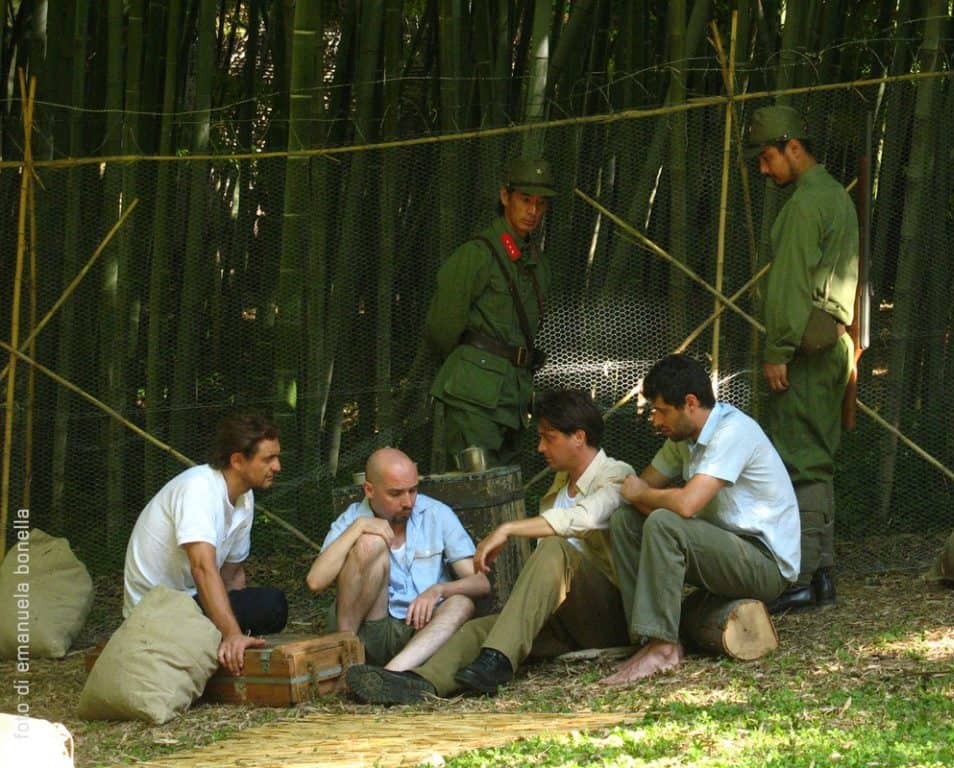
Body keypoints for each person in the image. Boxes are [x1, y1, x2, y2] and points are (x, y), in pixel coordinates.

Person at [344, 389, 634, 704]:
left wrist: (508, 528)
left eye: (548, 438)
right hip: (562, 622)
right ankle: (418, 683)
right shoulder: (557, 489)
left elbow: (582, 518)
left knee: (555, 548)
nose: (540, 447)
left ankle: (497, 662)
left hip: (609, 618)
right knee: (478, 630)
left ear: (578, 437)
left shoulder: (618, 475)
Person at [601, 354, 799, 685]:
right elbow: (643, 487)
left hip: (766, 564)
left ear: (690, 403)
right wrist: (628, 492)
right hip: (726, 549)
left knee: (665, 522)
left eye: (661, 410)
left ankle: (664, 648)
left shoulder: (732, 431)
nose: (655, 419)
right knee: (626, 521)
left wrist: (641, 495)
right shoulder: (683, 440)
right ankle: (649, 637)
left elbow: (686, 504)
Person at [745, 105, 858, 612]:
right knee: (815, 455)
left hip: (803, 352)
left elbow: (790, 285)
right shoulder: (836, 196)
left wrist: (777, 350)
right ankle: (822, 574)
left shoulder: (803, 207)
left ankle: (808, 578)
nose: (764, 170)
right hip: (830, 344)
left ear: (794, 147)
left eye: (768, 157)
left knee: (801, 461)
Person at [123, 411, 289, 676]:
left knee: (272, 607)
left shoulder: (244, 499)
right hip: (154, 609)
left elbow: (232, 575)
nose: (277, 466)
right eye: (268, 459)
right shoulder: (198, 488)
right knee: (260, 608)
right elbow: (202, 568)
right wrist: (232, 633)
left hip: (190, 602)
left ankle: (211, 640)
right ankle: (206, 639)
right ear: (237, 460)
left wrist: (235, 624)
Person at [425, 157, 556, 472]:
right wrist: (471, 369)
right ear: (505, 197)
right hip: (473, 395)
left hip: (514, 395)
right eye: (525, 200)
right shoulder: (478, 254)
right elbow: (442, 327)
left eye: (540, 204)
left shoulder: (537, 262)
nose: (532, 211)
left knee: (505, 490)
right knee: (474, 487)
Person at [306, 448, 490, 671]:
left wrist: (438, 590)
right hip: (367, 628)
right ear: (369, 490)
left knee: (462, 603)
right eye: (396, 493)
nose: (408, 502)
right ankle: (347, 659)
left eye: (413, 491)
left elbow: (481, 583)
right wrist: (359, 527)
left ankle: (393, 673)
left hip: (422, 631)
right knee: (369, 542)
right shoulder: (352, 519)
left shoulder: (435, 513)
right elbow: (315, 581)